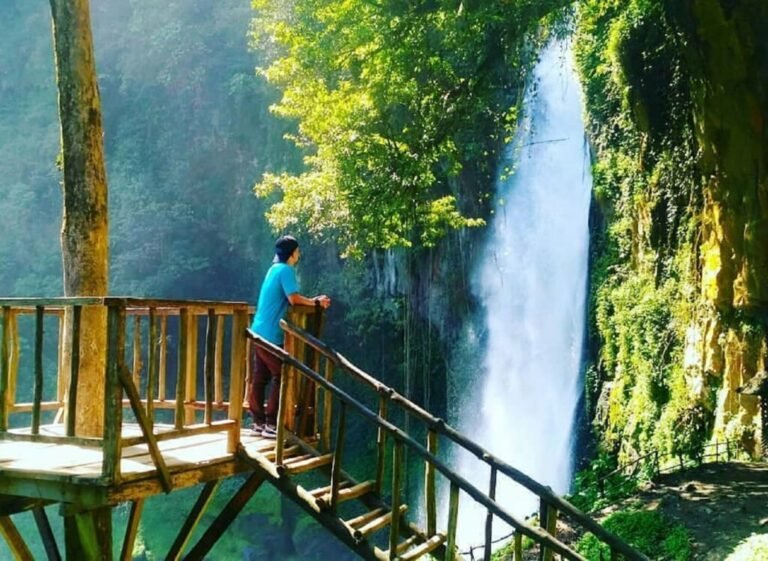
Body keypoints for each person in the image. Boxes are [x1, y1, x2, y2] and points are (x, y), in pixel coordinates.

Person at [249, 235, 331, 438]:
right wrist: (316, 302)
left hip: (257, 329)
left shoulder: (272, 270)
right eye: (297, 251)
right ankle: (270, 424)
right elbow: (293, 299)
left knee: (260, 377)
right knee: (281, 374)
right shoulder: (286, 270)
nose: (299, 255)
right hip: (269, 333)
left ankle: (258, 422)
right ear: (292, 253)